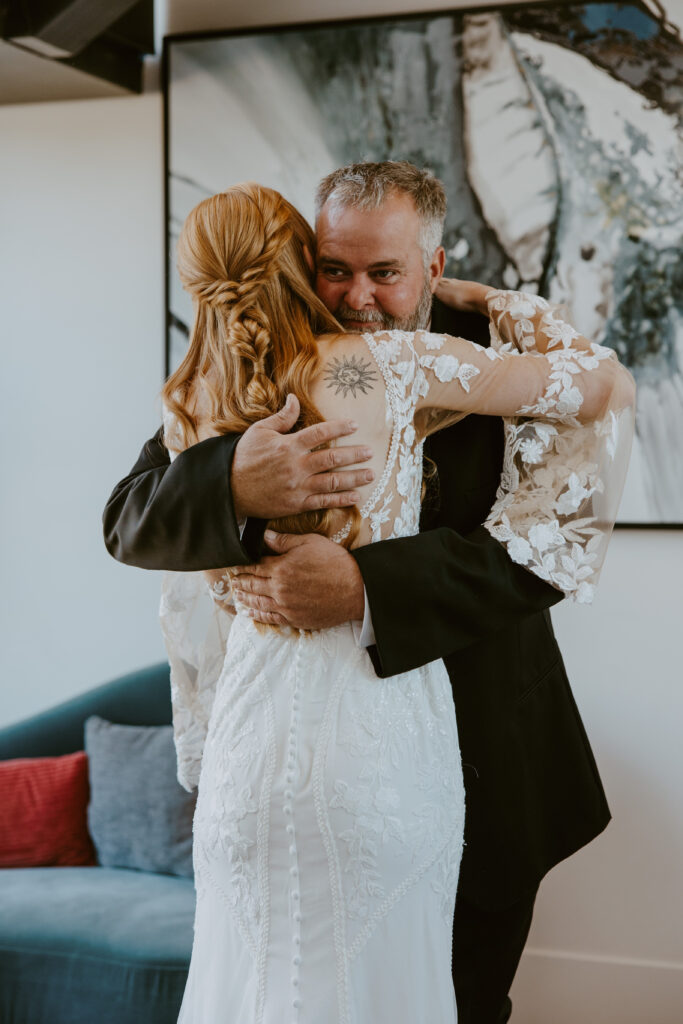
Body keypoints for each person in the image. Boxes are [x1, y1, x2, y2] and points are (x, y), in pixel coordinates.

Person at [103, 164, 635, 1023]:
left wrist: (364, 588)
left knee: (458, 1003)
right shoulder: (259, 353)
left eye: (383, 273)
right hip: (283, 746)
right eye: (334, 268)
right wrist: (237, 485)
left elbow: (541, 552)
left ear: (431, 262)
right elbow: (129, 519)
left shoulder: (480, 348)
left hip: (486, 749)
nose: (355, 296)